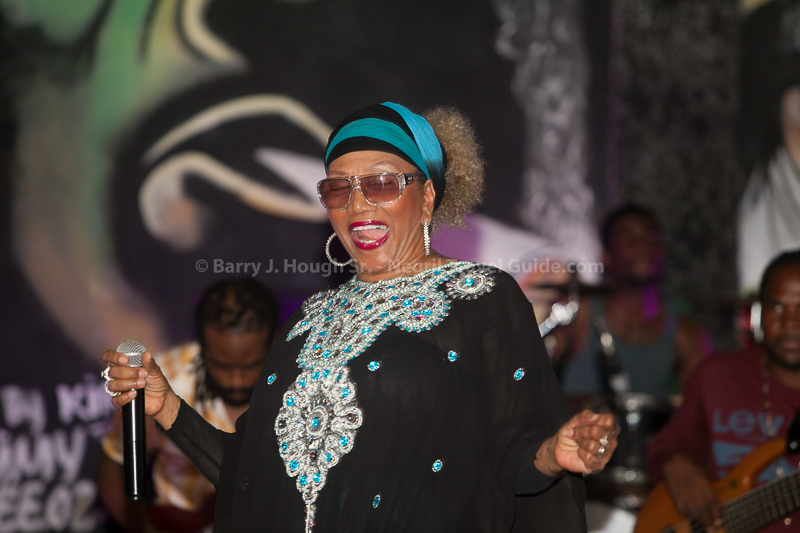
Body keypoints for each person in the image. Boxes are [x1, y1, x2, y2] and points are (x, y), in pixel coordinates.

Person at [100, 101, 619, 532]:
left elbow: (512, 455)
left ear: (427, 195)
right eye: (338, 188)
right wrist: (166, 406)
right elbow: (248, 477)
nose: (358, 205)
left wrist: (554, 454)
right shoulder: (309, 319)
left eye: (382, 183)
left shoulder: (482, 297)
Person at [97, 278, 279, 532]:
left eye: (249, 366)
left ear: (273, 343)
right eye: (222, 366)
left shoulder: (295, 385)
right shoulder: (161, 377)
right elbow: (114, 464)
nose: (235, 380)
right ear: (202, 346)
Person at [644, 249, 800, 532]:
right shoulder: (718, 375)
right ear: (758, 313)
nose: (790, 323)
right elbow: (663, 448)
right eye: (777, 307)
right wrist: (676, 465)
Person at [556, 203, 710, 402]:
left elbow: (698, 409)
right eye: (628, 238)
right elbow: (531, 377)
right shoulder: (578, 311)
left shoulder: (687, 333)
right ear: (606, 257)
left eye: (650, 238)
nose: (642, 246)